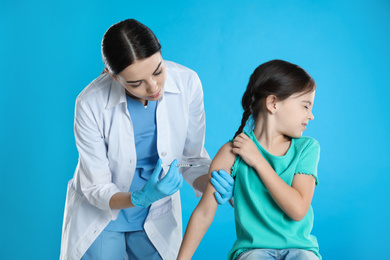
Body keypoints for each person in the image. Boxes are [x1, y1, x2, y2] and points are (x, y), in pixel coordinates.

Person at [60, 19, 234, 260]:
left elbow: (191, 159)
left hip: (157, 213)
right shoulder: (90, 103)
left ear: (160, 48)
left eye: (158, 71)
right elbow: (96, 186)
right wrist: (139, 198)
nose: (153, 87)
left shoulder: (188, 83)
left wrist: (214, 186)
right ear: (113, 75)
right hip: (104, 213)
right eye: (135, 83)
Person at [177, 59, 321, 260]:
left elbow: (297, 210)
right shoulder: (231, 153)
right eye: (305, 106)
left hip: (301, 250)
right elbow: (203, 214)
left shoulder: (306, 148)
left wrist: (258, 161)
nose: (311, 115)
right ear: (273, 103)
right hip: (253, 251)